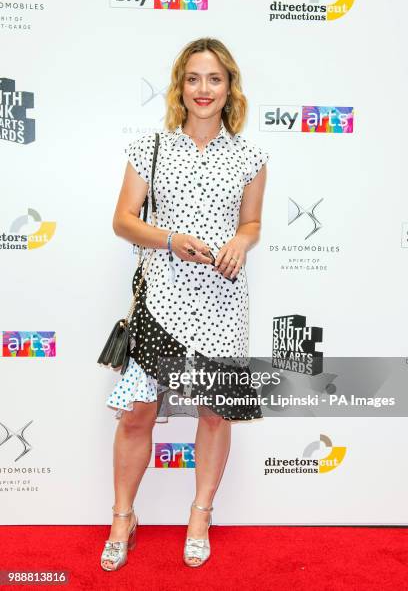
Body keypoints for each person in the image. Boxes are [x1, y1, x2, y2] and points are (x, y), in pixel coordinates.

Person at [100, 36, 269, 571]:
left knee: (216, 415)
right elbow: (123, 220)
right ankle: (123, 516)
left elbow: (251, 221)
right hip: (162, 299)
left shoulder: (251, 155)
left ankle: (201, 513)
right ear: (180, 86)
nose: (203, 89)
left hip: (221, 300)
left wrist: (243, 240)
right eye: (194, 78)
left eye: (214, 79)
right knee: (136, 414)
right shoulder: (150, 147)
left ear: (229, 88)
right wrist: (171, 240)